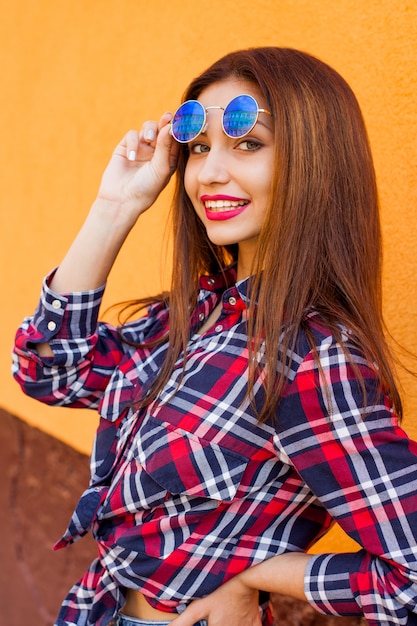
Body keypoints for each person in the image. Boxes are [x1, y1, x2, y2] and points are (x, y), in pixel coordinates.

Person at [12, 46, 417, 626]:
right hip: (94, 609)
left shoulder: (313, 357)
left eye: (248, 143)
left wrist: (258, 576)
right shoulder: (197, 311)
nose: (210, 172)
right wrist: (114, 206)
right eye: (199, 148)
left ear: (314, 161)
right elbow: (48, 371)